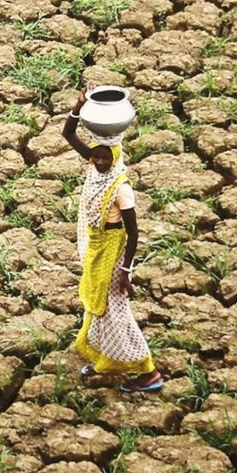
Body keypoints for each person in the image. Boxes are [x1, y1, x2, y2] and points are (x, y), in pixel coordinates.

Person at [62, 87, 163, 392]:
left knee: (115, 311)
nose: (99, 161)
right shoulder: (95, 168)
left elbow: (133, 233)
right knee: (100, 308)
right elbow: (68, 134)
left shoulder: (121, 187)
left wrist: (127, 271)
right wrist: (78, 106)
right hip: (97, 248)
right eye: (95, 156)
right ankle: (109, 357)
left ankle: (147, 371)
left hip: (114, 254)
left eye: (105, 157)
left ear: (114, 157)